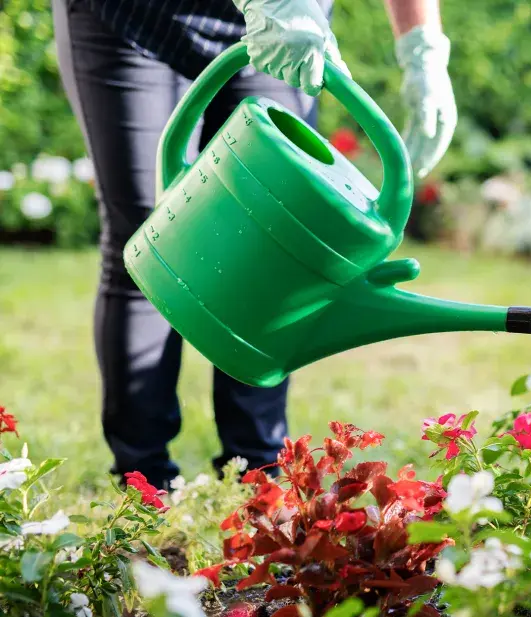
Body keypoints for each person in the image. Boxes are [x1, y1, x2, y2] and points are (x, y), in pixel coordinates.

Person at [52, 0, 457, 490]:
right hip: (136, 19)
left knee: (278, 248)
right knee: (150, 238)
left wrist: (422, 49)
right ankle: (143, 483)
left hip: (291, 25)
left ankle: (257, 476)